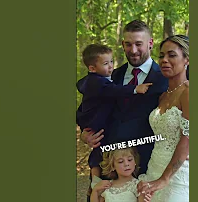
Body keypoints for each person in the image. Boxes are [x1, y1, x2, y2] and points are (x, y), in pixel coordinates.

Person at [81, 19, 169, 177]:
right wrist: (85, 133)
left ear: (150, 43)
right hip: (107, 164)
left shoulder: (165, 79)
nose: (133, 50)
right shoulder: (109, 77)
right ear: (122, 44)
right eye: (128, 44)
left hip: (146, 167)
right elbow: (86, 109)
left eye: (138, 44)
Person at [76, 43, 152, 199]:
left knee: (99, 153)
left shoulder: (162, 77)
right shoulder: (98, 81)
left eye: (111, 62)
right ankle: (95, 180)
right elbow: (112, 91)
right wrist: (135, 89)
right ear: (92, 68)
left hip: (140, 156)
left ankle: (95, 176)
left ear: (150, 43)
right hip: (100, 127)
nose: (110, 66)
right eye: (105, 63)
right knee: (99, 152)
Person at [136, 35, 190, 202]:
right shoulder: (163, 96)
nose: (164, 60)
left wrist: (164, 179)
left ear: (186, 60)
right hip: (154, 167)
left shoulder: (189, 92)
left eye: (172, 55)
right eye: (161, 55)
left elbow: (187, 138)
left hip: (177, 176)